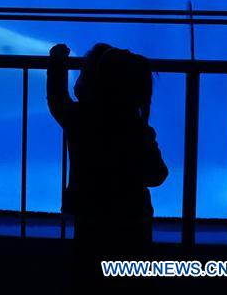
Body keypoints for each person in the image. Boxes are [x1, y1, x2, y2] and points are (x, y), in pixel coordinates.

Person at [47, 43, 168, 287]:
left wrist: (57, 61)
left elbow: (57, 99)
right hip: (133, 222)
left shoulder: (79, 119)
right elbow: (157, 174)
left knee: (88, 277)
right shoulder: (136, 129)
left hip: (90, 219)